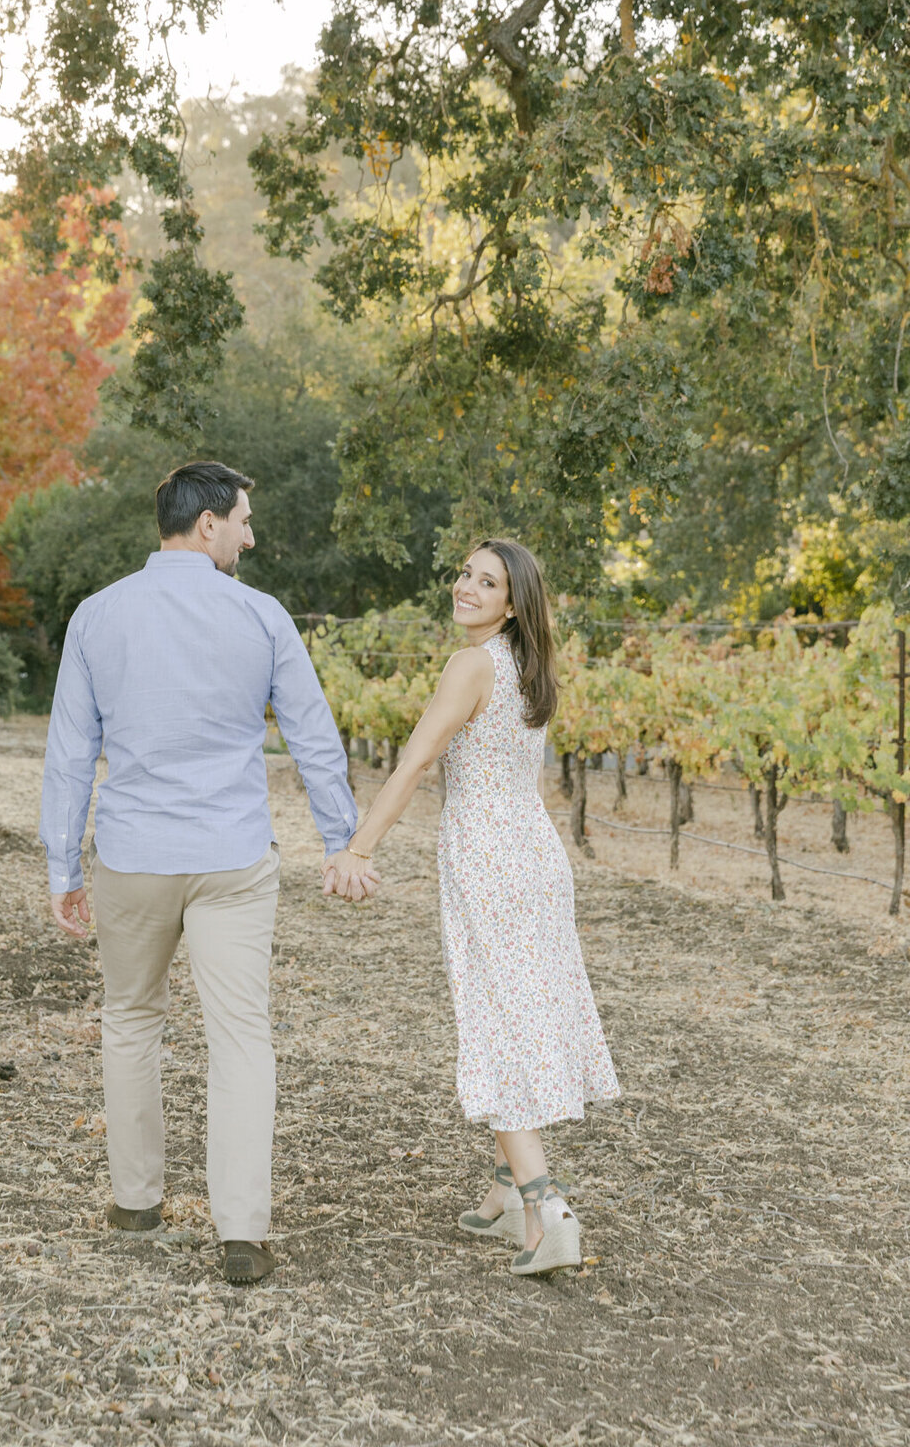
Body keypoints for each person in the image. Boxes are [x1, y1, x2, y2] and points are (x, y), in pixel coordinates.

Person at [39, 462, 372, 1286]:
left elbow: (70, 751)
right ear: (209, 524)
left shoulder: (97, 615)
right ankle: (242, 1230)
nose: (251, 537)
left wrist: (61, 860)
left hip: (132, 856)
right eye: (245, 521)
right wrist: (343, 839)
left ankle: (136, 1203)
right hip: (230, 856)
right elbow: (312, 735)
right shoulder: (261, 617)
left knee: (130, 1021)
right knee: (241, 1037)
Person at [323, 538, 619, 1274]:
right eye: (464, 574)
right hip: (536, 857)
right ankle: (500, 1195)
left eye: (486, 583)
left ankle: (546, 1211)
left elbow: (419, 759)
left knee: (496, 1023)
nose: (467, 588)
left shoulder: (470, 665)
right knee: (513, 1012)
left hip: (490, 862)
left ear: (512, 603)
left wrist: (359, 848)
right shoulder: (529, 666)